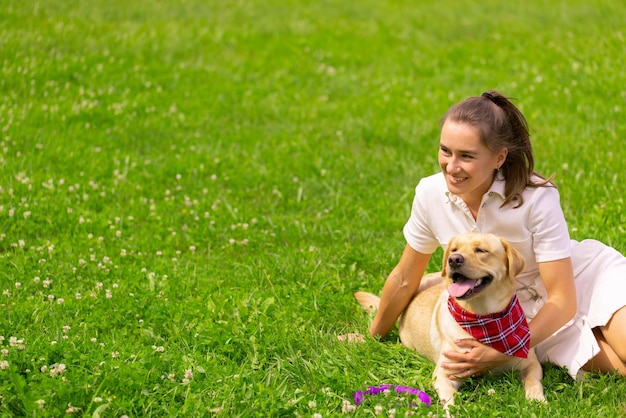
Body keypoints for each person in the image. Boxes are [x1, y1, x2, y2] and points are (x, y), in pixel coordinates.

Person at [370, 90, 626, 380]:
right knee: (620, 368)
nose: (451, 166)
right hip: (518, 314)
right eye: (445, 151)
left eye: (466, 156)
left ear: (499, 157)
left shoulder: (536, 197)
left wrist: (507, 350)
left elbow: (562, 298)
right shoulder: (430, 194)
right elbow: (405, 278)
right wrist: (373, 335)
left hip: (578, 280)